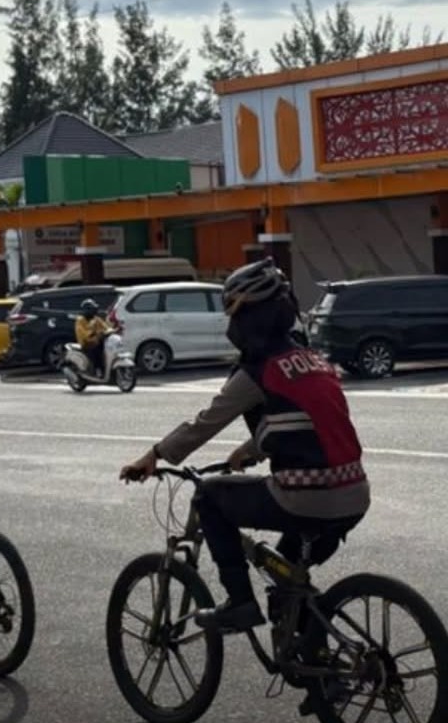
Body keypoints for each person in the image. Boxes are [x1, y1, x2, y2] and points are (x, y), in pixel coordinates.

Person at [119, 258, 370, 633]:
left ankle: (240, 605)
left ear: (247, 317)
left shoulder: (258, 370)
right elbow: (301, 424)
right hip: (354, 495)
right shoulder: (313, 360)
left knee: (209, 497)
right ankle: (319, 671)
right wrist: (249, 450)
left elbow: (205, 423)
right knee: (287, 576)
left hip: (307, 495)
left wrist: (153, 456)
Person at [74, 299, 113, 377]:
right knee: (96, 353)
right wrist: (94, 333)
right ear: (87, 310)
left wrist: (111, 330)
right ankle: (97, 370)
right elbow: (83, 333)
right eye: (92, 309)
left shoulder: (96, 319)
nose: (95, 311)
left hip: (98, 341)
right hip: (87, 343)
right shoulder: (80, 320)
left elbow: (105, 327)